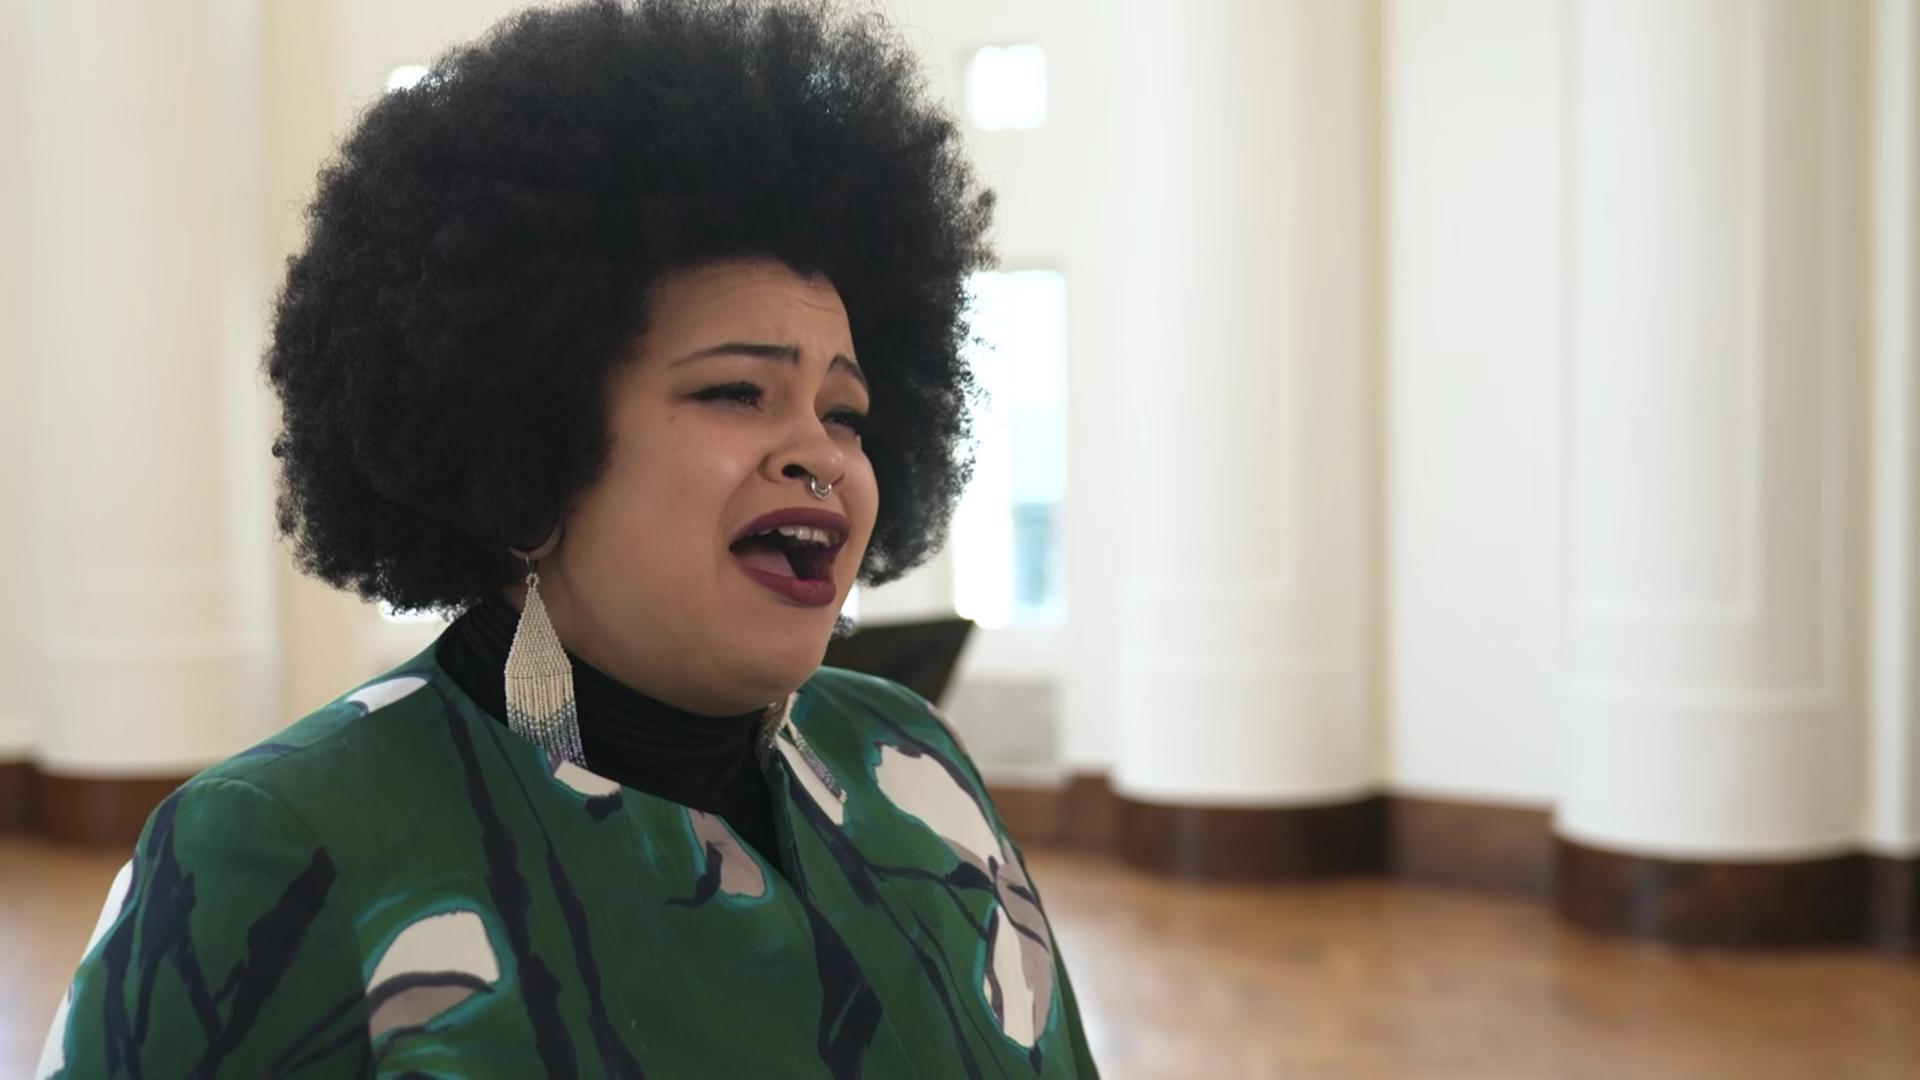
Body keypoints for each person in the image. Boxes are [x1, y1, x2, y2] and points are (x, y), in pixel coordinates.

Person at [35, 1, 1098, 1075]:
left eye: (846, 412)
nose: (818, 453)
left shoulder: (912, 758)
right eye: (737, 392)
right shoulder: (274, 850)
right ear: (531, 453)